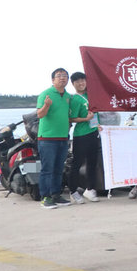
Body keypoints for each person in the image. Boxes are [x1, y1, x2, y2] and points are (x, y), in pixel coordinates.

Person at [37, 68, 73, 208]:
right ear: (53, 80)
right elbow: (40, 114)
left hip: (63, 138)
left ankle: (56, 195)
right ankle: (45, 197)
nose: (62, 78)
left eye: (65, 76)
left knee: (59, 168)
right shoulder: (46, 94)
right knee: (47, 169)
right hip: (47, 138)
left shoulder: (68, 96)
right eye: (59, 76)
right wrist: (46, 105)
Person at [67, 72, 100, 204]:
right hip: (81, 135)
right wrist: (85, 119)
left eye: (83, 80)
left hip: (94, 132)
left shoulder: (90, 95)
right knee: (77, 163)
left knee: (93, 163)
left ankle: (90, 189)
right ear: (73, 84)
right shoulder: (74, 99)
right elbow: (71, 118)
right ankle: (73, 191)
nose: (81, 83)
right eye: (78, 82)